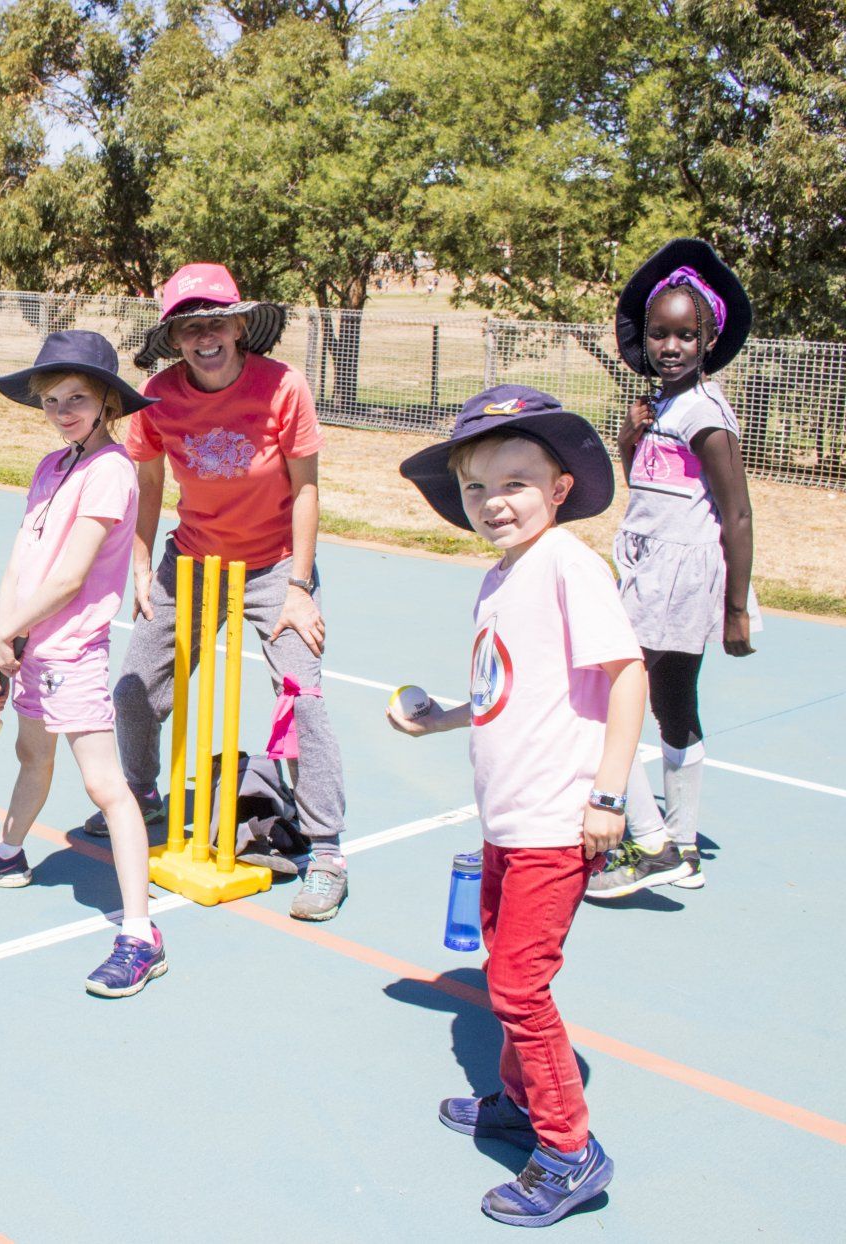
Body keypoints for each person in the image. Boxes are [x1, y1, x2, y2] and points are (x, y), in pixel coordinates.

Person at [390, 385, 642, 1227]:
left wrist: (608, 797)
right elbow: (508, 690)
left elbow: (626, 675)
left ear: (560, 486)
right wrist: (445, 718)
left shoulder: (570, 563)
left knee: (520, 986)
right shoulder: (502, 578)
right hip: (509, 816)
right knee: (506, 972)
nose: (494, 502)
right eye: (475, 488)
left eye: (516, 482)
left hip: (555, 819)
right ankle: (518, 1099)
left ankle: (570, 1151)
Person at [100, 262, 350, 922]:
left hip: (275, 565)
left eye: (216, 323)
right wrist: (139, 567)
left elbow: (308, 489)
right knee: (133, 687)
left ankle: (326, 852)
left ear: (240, 327)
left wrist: (299, 587)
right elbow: (147, 486)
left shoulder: (283, 387)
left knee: (302, 696)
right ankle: (142, 797)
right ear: (175, 338)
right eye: (189, 327)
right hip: (192, 557)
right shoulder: (157, 397)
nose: (204, 337)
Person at [0, 332, 166, 997]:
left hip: (73, 653)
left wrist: (14, 633)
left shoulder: (112, 470)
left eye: (78, 399)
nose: (63, 410)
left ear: (106, 404)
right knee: (32, 758)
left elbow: (67, 578)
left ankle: (141, 934)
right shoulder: (49, 467)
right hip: (30, 646)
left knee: (107, 790)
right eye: (52, 400)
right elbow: (19, 563)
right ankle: (8, 856)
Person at [588, 238, 759, 898]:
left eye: (686, 335)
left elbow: (736, 514)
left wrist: (737, 608)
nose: (671, 346)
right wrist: (631, 438)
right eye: (660, 334)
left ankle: (652, 841)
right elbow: (648, 487)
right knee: (668, 709)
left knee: (615, 700)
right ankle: (683, 847)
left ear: (707, 341)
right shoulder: (659, 408)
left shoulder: (706, 415)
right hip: (645, 568)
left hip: (680, 580)